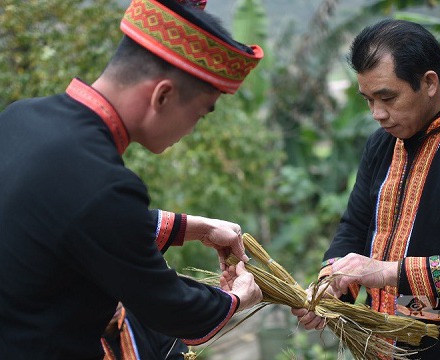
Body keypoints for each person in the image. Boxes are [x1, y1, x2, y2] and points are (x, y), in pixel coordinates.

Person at [0, 0, 265, 359]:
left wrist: (194, 227)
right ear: (163, 95)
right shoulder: (104, 184)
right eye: (200, 114)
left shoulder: (20, 118)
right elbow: (168, 305)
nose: (191, 129)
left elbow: (70, 216)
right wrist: (235, 299)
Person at [292, 19, 440, 359]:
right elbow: (356, 226)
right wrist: (333, 286)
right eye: (368, 100)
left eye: (387, 97)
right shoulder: (382, 145)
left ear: (429, 82)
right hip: (379, 349)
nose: (377, 114)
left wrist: (385, 272)